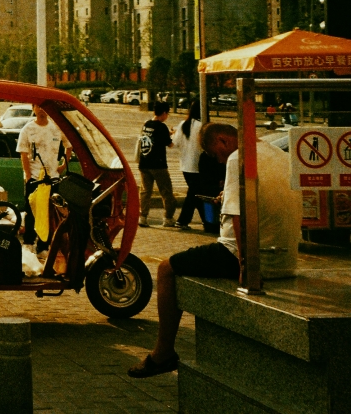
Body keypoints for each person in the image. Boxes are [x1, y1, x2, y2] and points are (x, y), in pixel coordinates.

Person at [128, 123, 301, 378]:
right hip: (286, 259)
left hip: (244, 256)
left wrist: (245, 265)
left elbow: (238, 217)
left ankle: (163, 353)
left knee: (166, 269)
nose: (219, 160)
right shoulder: (281, 155)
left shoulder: (236, 158)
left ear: (223, 141)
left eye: (214, 154)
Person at [16, 103, 71, 247]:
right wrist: (28, 176)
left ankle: (44, 246)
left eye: (44, 107)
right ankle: (28, 243)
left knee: (49, 212)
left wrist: (63, 166)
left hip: (53, 178)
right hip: (34, 178)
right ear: (33, 108)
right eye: (38, 107)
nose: (41, 110)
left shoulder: (56, 128)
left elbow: (69, 146)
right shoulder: (27, 130)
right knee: (31, 212)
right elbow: (23, 154)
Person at [137, 101, 176, 227]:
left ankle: (143, 217)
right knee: (166, 192)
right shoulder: (162, 127)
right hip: (158, 165)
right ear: (164, 113)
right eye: (167, 113)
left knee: (145, 192)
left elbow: (155, 136)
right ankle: (168, 218)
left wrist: (168, 134)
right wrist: (174, 136)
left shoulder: (146, 124)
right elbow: (170, 144)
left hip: (144, 163)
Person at [173, 101, 202, 229]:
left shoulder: (183, 125)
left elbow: (175, 143)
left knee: (196, 193)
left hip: (185, 165)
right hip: (198, 165)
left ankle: (208, 221)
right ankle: (182, 220)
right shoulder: (202, 126)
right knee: (194, 194)